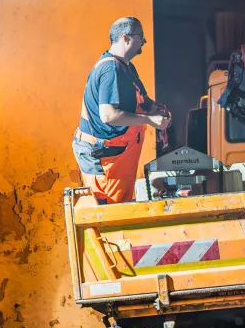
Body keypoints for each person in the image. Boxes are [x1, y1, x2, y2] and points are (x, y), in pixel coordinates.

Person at [73, 17, 172, 205]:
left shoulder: (126, 67)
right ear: (126, 38)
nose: (144, 41)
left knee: (119, 209)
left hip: (118, 155)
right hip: (105, 159)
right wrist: (150, 120)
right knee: (109, 214)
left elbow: (140, 99)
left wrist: (155, 108)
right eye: (140, 36)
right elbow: (109, 115)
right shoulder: (111, 69)